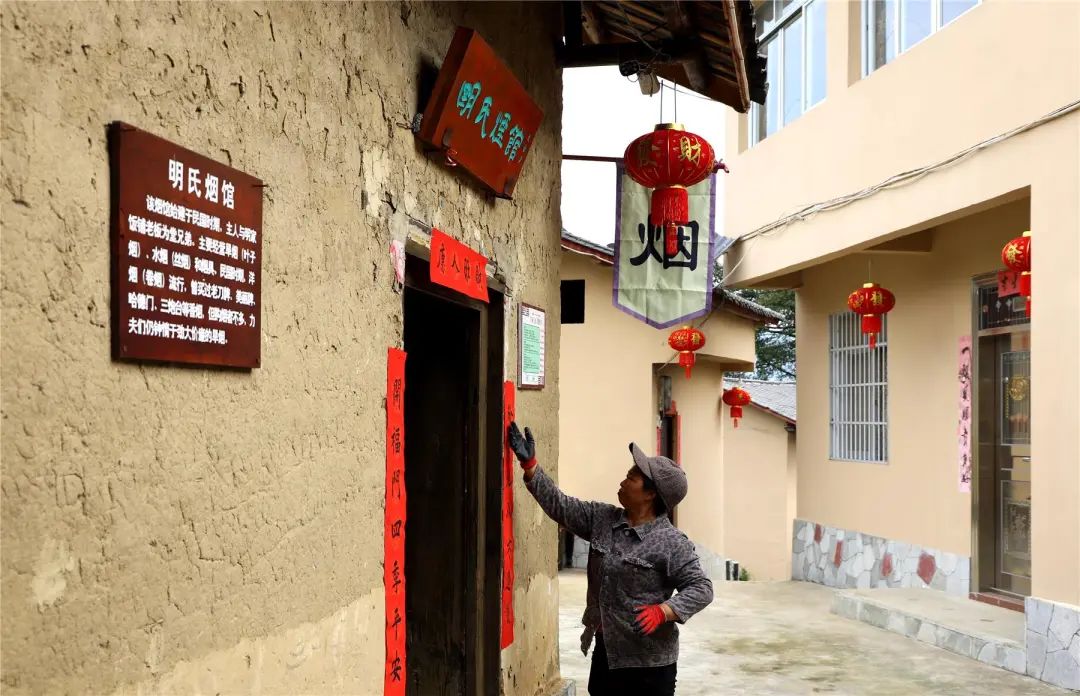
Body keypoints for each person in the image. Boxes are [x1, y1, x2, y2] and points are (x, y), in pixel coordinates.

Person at [508, 422, 714, 696]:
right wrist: (530, 466)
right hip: (608, 655)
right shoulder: (602, 518)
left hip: (650, 667)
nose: (622, 482)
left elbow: (702, 588)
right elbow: (561, 505)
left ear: (651, 494)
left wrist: (664, 611)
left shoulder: (672, 542)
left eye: (631, 478)